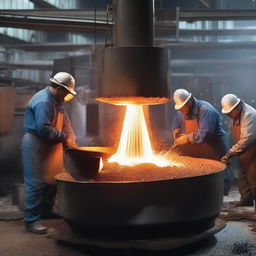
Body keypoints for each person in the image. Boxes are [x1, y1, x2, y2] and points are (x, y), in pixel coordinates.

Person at [21, 72, 77, 234]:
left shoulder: (57, 101)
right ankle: (31, 221)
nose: (67, 96)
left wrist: (71, 138)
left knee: (52, 180)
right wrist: (64, 137)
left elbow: (65, 122)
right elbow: (43, 130)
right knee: (36, 184)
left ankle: (46, 211)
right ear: (59, 88)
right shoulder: (44, 102)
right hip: (37, 145)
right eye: (66, 92)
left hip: (52, 146)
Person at [171, 89, 231, 194]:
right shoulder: (182, 110)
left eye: (182, 107)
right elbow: (176, 122)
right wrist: (176, 131)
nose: (181, 111)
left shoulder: (205, 110)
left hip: (214, 144)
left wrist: (184, 139)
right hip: (198, 144)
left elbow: (205, 134)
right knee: (202, 169)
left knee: (219, 169)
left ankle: (220, 196)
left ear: (189, 101)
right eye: (179, 108)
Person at [221, 94, 256, 207]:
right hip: (244, 150)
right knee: (242, 175)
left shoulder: (249, 115)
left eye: (230, 112)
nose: (229, 115)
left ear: (238, 106)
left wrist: (230, 153)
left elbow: (247, 139)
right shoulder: (236, 115)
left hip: (253, 149)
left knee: (253, 178)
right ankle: (246, 200)